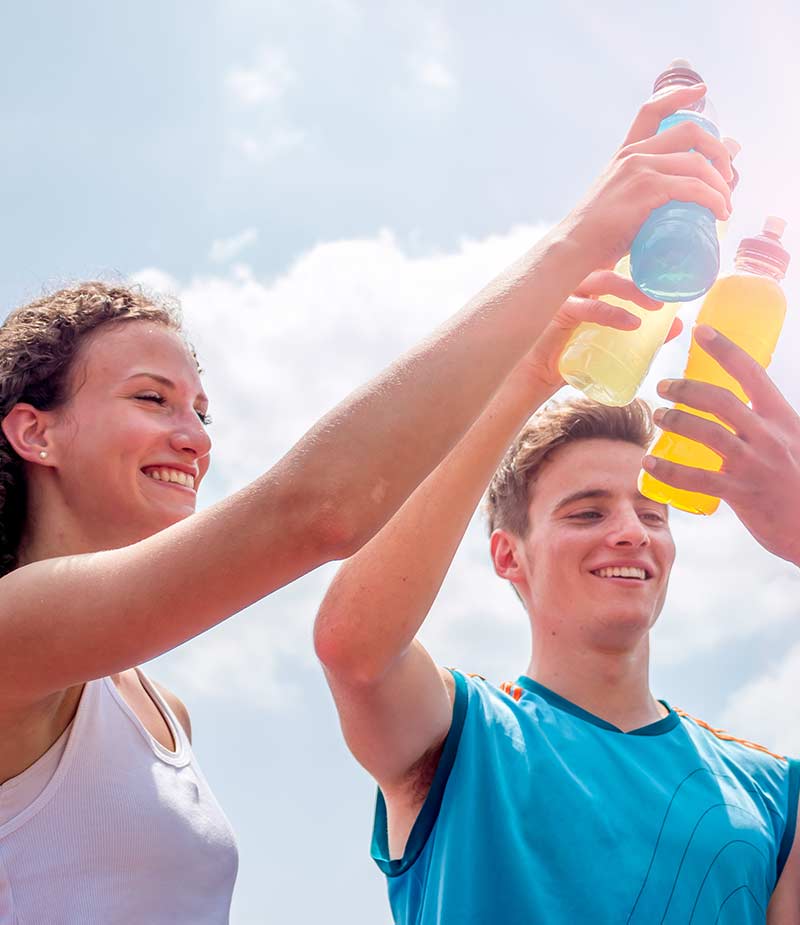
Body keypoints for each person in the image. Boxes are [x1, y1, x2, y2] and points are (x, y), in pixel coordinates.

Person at [0, 83, 732, 923]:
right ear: (34, 431)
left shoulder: (163, 712)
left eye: (202, 411)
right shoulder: (14, 635)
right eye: (152, 399)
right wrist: (578, 239)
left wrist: (536, 365)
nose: (195, 436)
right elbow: (321, 509)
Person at [313, 175, 800, 922]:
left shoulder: (773, 791)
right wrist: (528, 380)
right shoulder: (460, 735)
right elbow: (353, 649)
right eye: (587, 512)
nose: (630, 531)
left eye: (652, 513)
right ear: (509, 555)